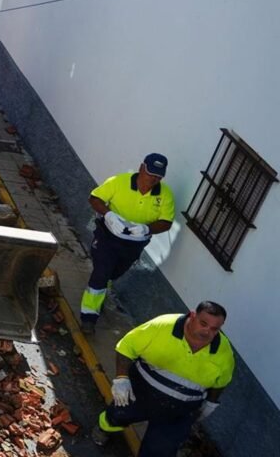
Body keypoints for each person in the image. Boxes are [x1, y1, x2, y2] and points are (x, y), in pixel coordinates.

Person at [93, 301, 234, 456]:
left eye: (214, 329)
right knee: (117, 416)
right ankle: (104, 429)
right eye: (203, 324)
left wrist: (210, 403)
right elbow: (126, 347)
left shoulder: (223, 352)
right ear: (193, 315)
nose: (207, 332)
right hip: (140, 392)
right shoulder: (162, 326)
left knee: (160, 450)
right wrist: (121, 379)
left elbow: (221, 382)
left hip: (180, 411)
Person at [80, 153, 175, 333]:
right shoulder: (119, 181)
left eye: (158, 176)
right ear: (141, 168)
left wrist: (147, 229)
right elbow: (94, 198)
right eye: (150, 173)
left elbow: (166, 222)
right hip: (108, 236)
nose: (153, 179)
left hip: (134, 244)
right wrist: (108, 214)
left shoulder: (165, 195)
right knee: (101, 272)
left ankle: (102, 287)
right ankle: (89, 317)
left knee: (114, 273)